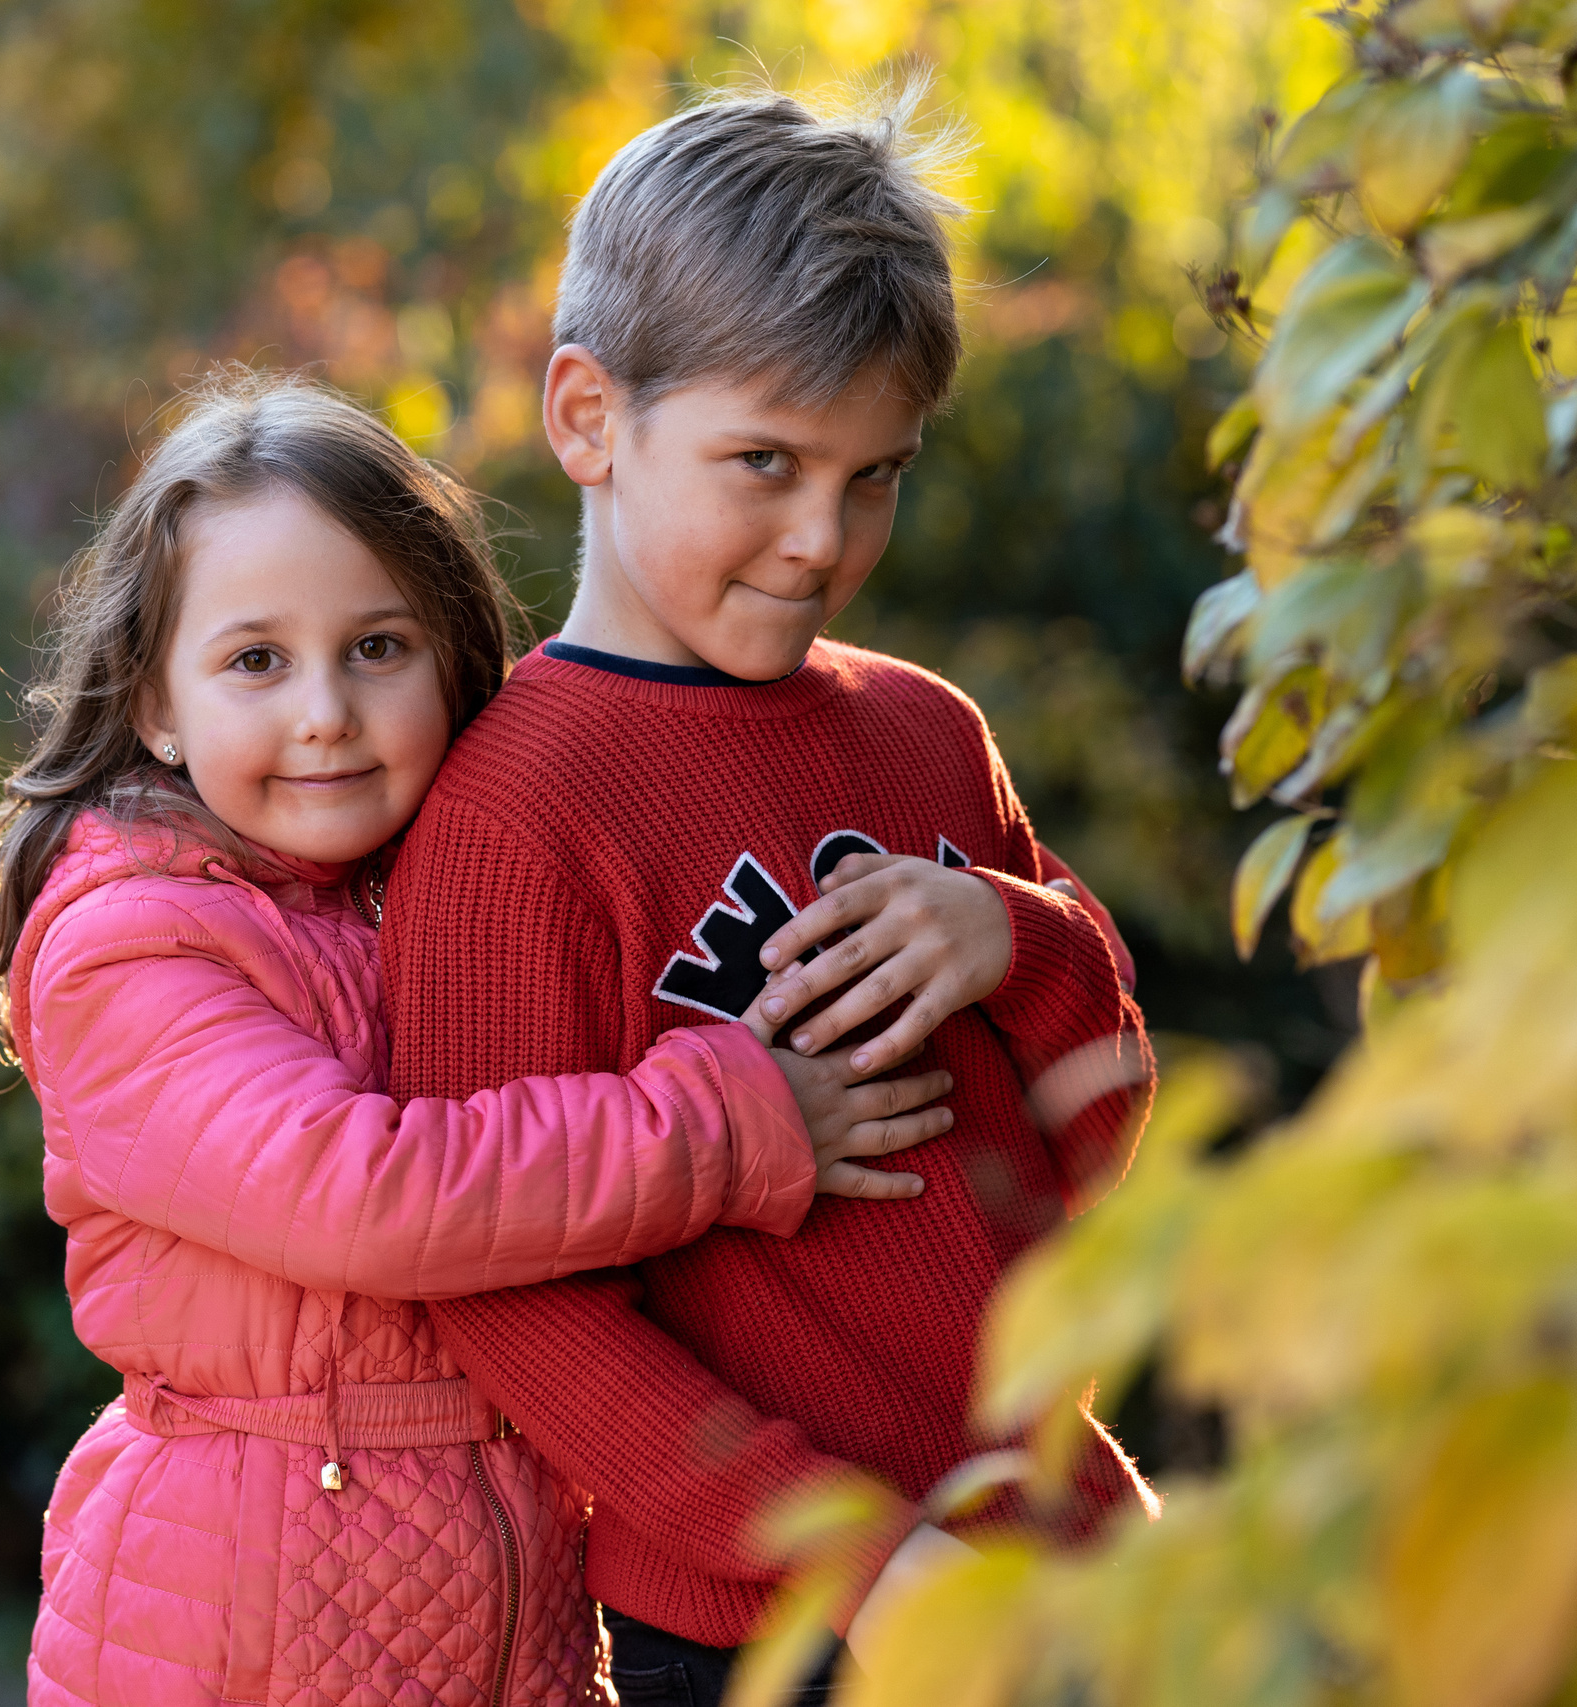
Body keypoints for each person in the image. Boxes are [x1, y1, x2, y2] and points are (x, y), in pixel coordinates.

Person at [0, 373, 973, 1707]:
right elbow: (363, 1194)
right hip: (235, 1631)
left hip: (501, 1614)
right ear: (156, 706)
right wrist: (726, 1122)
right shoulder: (131, 945)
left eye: (377, 648)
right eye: (256, 661)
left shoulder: (439, 900)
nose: (324, 711)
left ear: (453, 661)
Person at [380, 82, 1160, 1707]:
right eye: (766, 462)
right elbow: (511, 1304)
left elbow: (1101, 1142)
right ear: (589, 417)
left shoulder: (930, 734)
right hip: (779, 1632)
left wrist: (1018, 940)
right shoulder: (517, 815)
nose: (821, 538)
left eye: (876, 475)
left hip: (1071, 1568)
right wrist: (864, 1562)